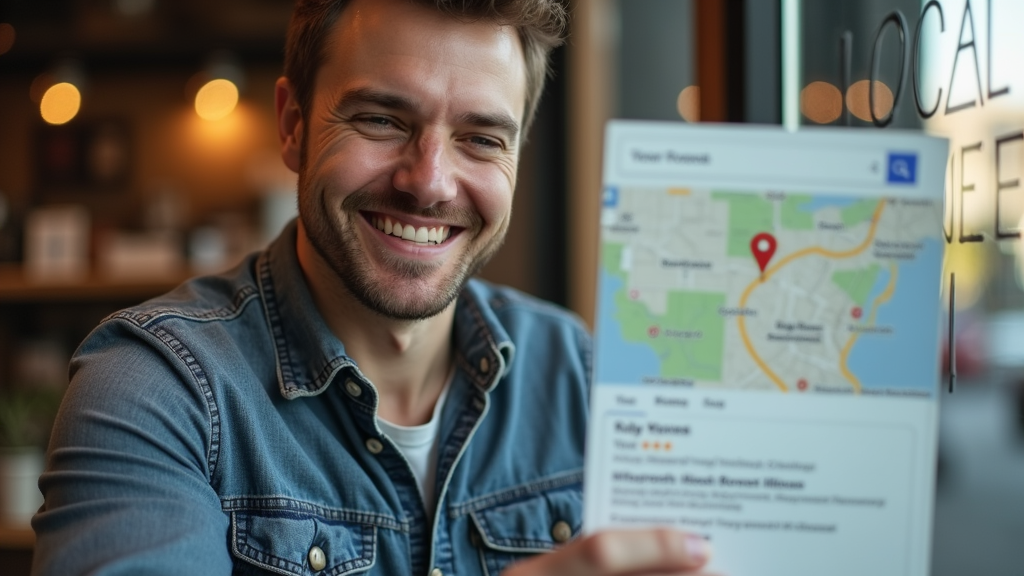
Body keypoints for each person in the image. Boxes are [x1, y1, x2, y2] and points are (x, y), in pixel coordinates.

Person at [32, 1, 715, 574]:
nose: (430, 182)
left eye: (480, 139)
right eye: (383, 120)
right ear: (293, 125)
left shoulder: (587, 379)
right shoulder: (157, 392)